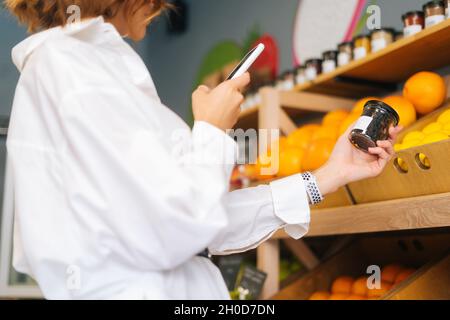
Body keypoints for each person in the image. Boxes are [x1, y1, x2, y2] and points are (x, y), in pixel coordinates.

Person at [5, 0, 401, 299]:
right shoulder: (73, 70)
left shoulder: (75, 67)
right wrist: (212, 130)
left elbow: (194, 222)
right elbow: (179, 224)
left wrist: (328, 176)